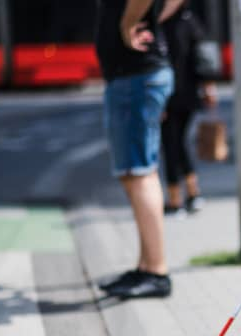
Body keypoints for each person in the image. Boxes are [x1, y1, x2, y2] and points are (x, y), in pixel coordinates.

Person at [95, 0, 184, 298]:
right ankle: (146, 266)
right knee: (136, 173)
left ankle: (156, 271)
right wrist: (151, 17)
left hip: (135, 75)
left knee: (140, 173)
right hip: (135, 75)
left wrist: (126, 23)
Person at [161, 6, 215, 217]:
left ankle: (176, 200)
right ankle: (193, 193)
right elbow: (202, 56)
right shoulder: (190, 18)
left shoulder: (162, 22)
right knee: (178, 143)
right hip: (188, 93)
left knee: (171, 144)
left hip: (169, 94)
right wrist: (208, 87)